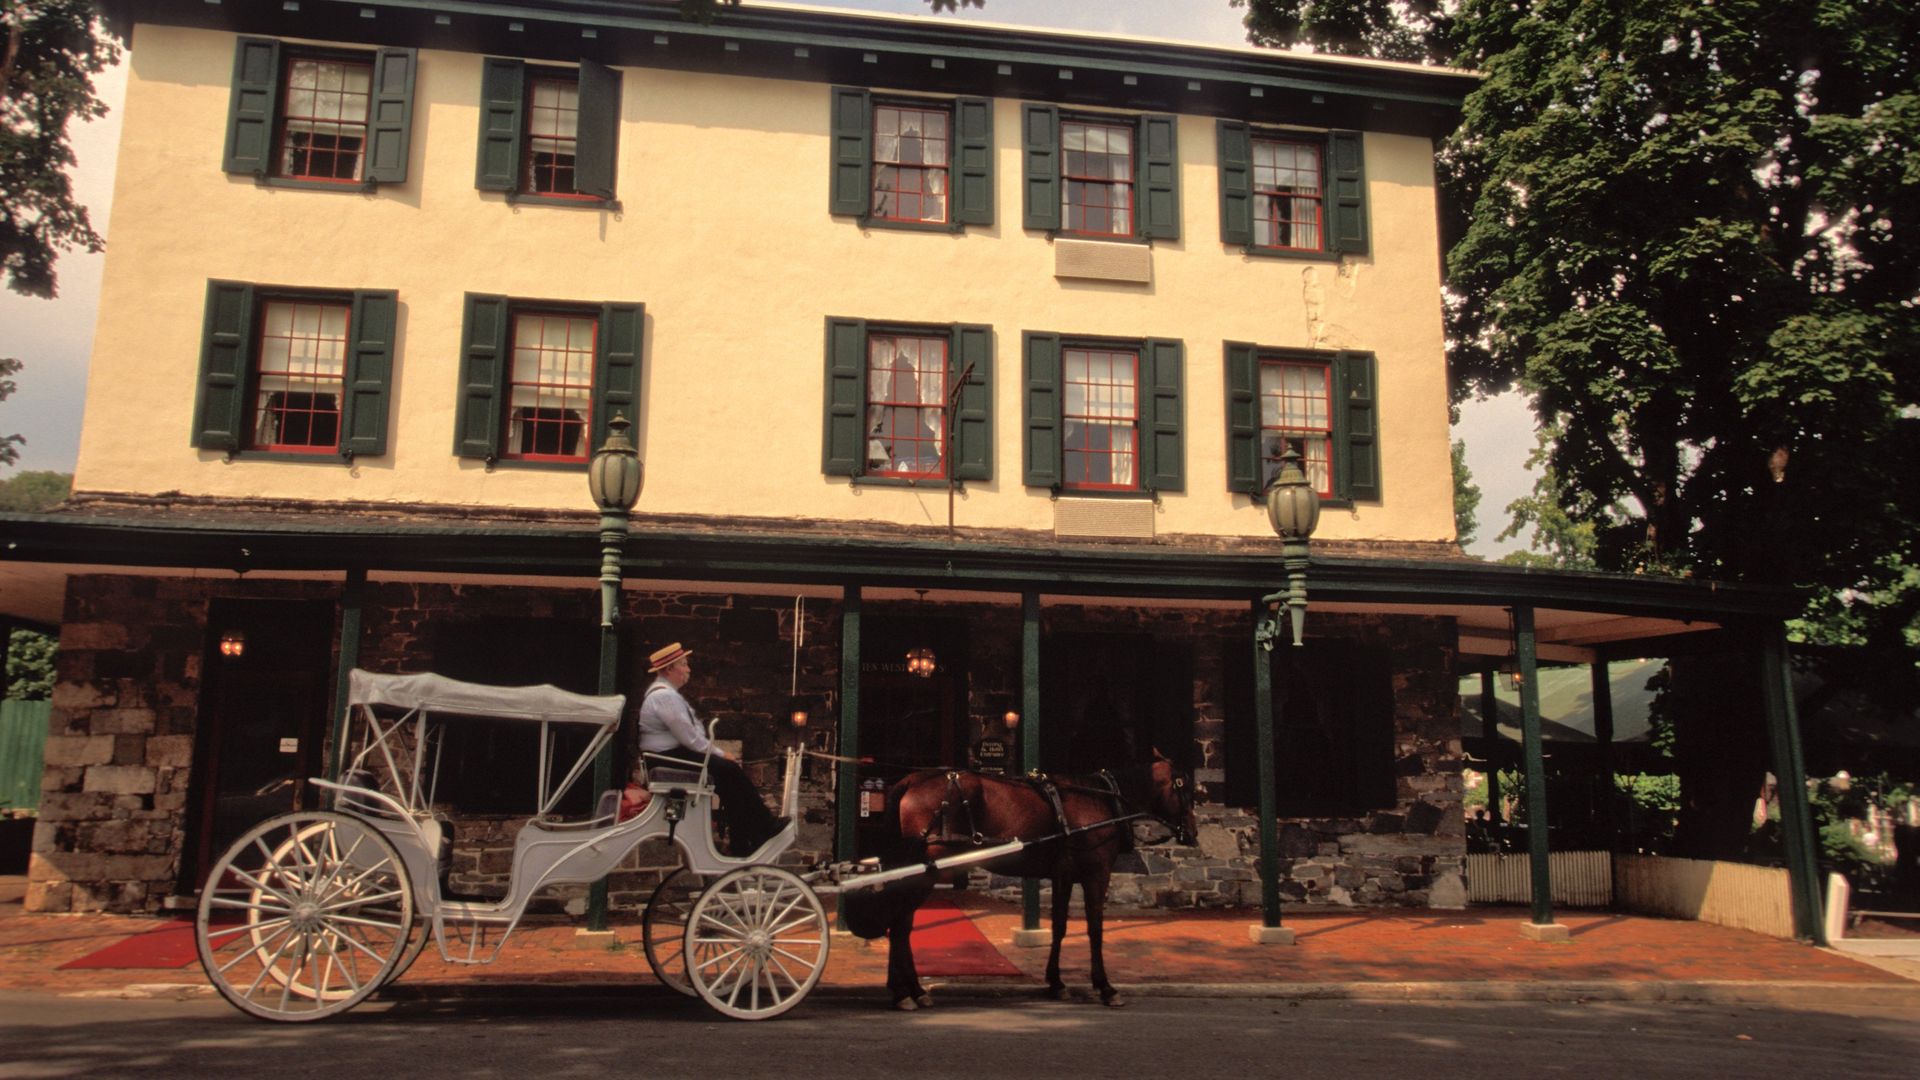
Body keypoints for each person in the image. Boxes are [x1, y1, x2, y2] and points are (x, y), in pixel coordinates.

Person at [637, 642, 787, 856]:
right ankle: (762, 827)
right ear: (669, 669)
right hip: (668, 758)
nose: (688, 669)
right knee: (731, 770)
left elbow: (691, 735)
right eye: (684, 664)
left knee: (729, 781)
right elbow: (689, 738)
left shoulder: (665, 695)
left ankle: (742, 839)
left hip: (668, 756)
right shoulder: (664, 697)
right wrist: (719, 753)